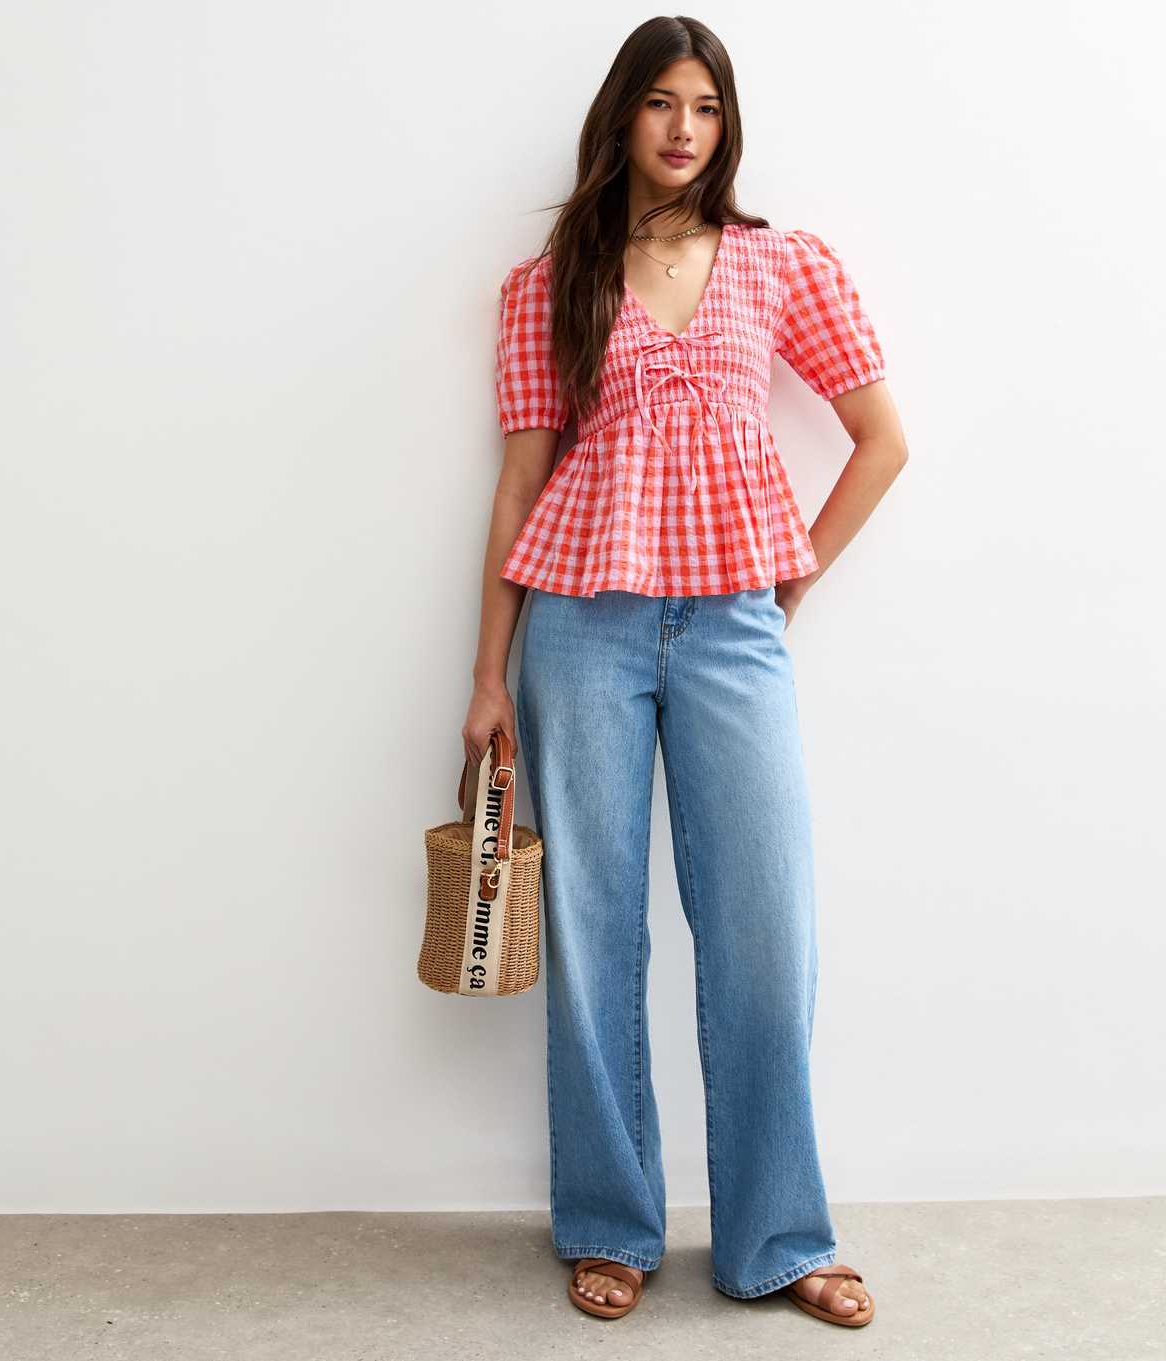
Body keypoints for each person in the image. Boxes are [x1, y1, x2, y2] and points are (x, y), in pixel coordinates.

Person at [463, 15, 907, 1329]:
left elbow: (880, 440)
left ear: (726, 128)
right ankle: (610, 1222)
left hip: (730, 629)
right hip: (582, 631)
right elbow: (521, 484)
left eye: (703, 108)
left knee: (767, 931)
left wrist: (791, 574)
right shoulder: (550, 282)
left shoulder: (779, 266)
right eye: (659, 103)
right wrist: (488, 672)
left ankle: (779, 1232)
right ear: (624, 116)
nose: (680, 128)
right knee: (595, 932)